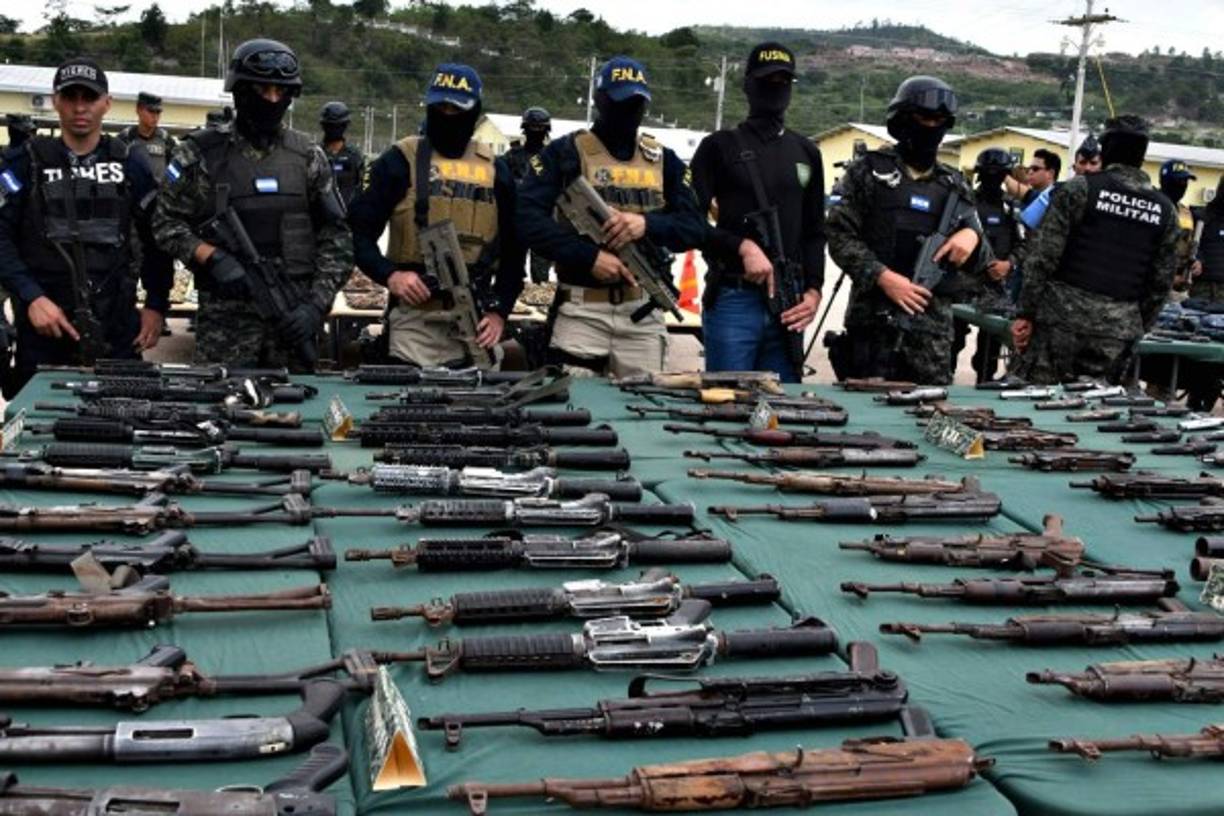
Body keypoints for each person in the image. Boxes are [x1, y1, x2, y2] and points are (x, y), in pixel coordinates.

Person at [153, 38, 352, 371]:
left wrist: (316, 305)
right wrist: (210, 255)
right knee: (216, 401)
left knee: (300, 397)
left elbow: (338, 238)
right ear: (240, 91)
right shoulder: (199, 153)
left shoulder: (308, 156)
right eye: (263, 90)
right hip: (225, 326)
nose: (272, 99)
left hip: (292, 318)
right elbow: (164, 223)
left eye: (281, 91)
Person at [517, 56, 704, 377]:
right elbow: (525, 218)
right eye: (619, 102)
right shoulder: (565, 153)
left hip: (642, 310)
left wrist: (646, 224)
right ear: (600, 101)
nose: (627, 111)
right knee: (574, 402)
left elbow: (695, 227)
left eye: (635, 104)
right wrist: (589, 257)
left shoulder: (664, 160)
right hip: (581, 310)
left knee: (642, 405)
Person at [0, 57, 171, 394]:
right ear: (55, 101)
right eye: (70, 97)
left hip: (115, 326)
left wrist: (156, 304)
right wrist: (31, 296)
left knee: (124, 415)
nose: (80, 108)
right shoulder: (24, 163)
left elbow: (158, 237)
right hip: (44, 327)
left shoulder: (129, 164)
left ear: (107, 103)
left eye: (89, 97)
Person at [347, 63, 523, 368]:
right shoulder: (399, 160)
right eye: (440, 108)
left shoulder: (497, 170)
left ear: (473, 111)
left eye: (456, 109)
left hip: (477, 325)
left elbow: (515, 251)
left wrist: (500, 311)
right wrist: (391, 275)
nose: (447, 116)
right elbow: (356, 234)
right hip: (414, 325)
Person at [825, 75, 988, 385]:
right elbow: (838, 235)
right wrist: (883, 277)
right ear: (902, 121)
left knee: (929, 410)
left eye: (940, 121)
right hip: (873, 326)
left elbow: (983, 262)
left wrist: (973, 236)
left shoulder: (954, 186)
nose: (932, 127)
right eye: (925, 118)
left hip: (932, 336)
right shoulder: (868, 171)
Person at [689, 41, 824, 383]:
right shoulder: (718, 147)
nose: (775, 88)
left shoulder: (807, 152)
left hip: (790, 302)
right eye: (767, 81)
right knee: (728, 401)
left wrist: (814, 290)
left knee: (785, 406)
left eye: (784, 81)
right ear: (748, 85)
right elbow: (688, 223)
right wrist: (741, 247)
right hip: (734, 299)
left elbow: (814, 231)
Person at [1010, 115, 1178, 384]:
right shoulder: (1165, 210)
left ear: (1106, 149)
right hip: (1116, 333)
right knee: (1097, 406)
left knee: (1033, 400)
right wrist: (1136, 326)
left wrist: (1025, 313)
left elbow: (1042, 257)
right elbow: (1161, 283)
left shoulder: (1081, 189)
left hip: (1059, 321)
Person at [952, 147, 1025, 383]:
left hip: (995, 286)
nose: (992, 179)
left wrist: (1008, 264)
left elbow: (1024, 245)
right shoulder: (965, 204)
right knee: (952, 341)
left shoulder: (1011, 208)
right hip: (961, 283)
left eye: (998, 174)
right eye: (988, 174)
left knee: (989, 350)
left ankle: (984, 386)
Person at [505, 106, 553, 284]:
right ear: (525, 129)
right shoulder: (512, 156)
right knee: (511, 272)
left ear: (546, 131)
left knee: (541, 278)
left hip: (541, 221)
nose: (536, 132)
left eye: (540, 128)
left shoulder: (551, 158)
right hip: (516, 220)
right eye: (533, 127)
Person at [1158, 159, 1199, 289]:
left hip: (1179, 285)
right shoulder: (1153, 206)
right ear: (1166, 182)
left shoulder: (1185, 212)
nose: (1183, 185)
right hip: (1154, 283)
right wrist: (1169, 278)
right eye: (1179, 181)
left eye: (1186, 182)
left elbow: (1187, 246)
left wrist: (1196, 262)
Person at [116, 91, 175, 180]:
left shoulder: (165, 139)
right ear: (138, 110)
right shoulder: (126, 138)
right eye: (151, 111)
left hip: (159, 188)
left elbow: (175, 168)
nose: (155, 116)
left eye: (158, 112)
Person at [318, 101, 363, 207]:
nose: (334, 129)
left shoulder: (354, 156)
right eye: (330, 125)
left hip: (348, 212)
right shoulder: (315, 154)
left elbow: (361, 187)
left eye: (338, 126)